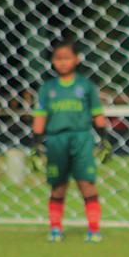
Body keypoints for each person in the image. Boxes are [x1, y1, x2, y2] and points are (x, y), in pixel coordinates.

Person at [31, 36, 111, 243]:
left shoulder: (86, 86)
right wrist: (35, 143)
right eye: (58, 58)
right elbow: (40, 116)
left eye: (67, 57)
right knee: (58, 185)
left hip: (82, 139)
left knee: (87, 183)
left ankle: (94, 229)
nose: (63, 62)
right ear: (52, 61)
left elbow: (97, 114)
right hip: (57, 141)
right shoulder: (47, 88)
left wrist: (104, 138)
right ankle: (55, 228)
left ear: (77, 59)